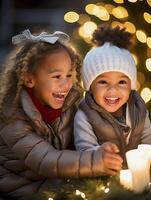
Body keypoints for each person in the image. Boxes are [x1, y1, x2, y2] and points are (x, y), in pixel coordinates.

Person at [0, 29, 108, 200]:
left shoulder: (68, 107)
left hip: (54, 182)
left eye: (69, 75)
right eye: (57, 76)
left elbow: (78, 141)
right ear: (29, 79)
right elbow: (46, 160)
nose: (66, 84)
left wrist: (104, 146)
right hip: (22, 189)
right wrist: (96, 161)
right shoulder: (12, 118)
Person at [74, 24, 151, 175]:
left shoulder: (138, 109)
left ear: (131, 86)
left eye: (122, 82)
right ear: (90, 87)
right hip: (102, 180)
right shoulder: (85, 116)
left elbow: (148, 139)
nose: (113, 90)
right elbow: (84, 151)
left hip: (137, 177)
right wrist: (100, 153)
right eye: (103, 82)